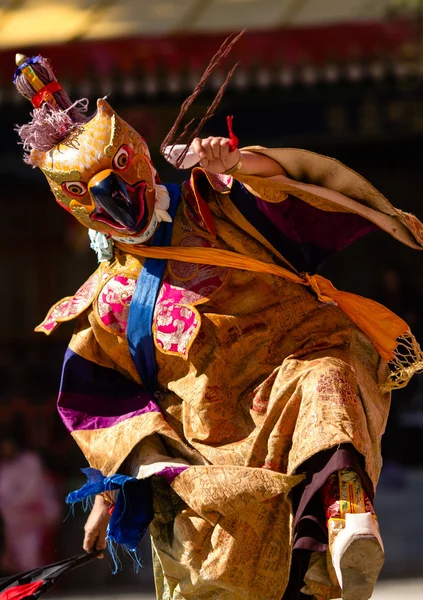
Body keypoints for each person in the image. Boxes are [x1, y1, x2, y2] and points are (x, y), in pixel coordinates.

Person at [13, 49, 423, 600]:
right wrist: (115, 494)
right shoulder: (106, 302)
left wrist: (238, 165)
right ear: (70, 204)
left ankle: (348, 514)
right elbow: (112, 412)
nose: (111, 196)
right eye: (87, 192)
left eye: (117, 172)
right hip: (208, 453)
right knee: (223, 562)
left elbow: (286, 195)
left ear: (135, 154)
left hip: (290, 378)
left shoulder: (212, 206)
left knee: (326, 382)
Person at [0, 435, 61, 574]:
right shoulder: (4, 466)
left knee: (29, 555)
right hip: (11, 519)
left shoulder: (30, 460)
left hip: (34, 514)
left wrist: (13, 504)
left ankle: (35, 584)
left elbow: (33, 489)